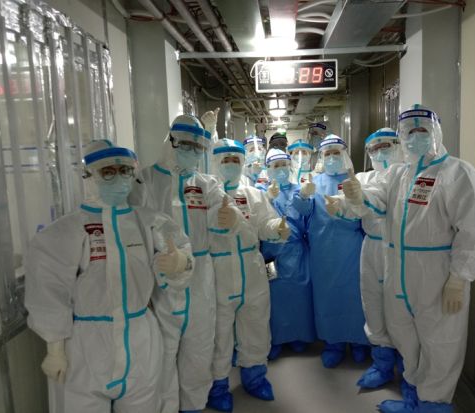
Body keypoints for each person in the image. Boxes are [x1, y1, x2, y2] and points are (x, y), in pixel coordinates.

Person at [341, 105, 475, 413]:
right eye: (409, 132)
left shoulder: (457, 173)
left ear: (436, 132)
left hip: (437, 276)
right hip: (398, 272)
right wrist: (359, 196)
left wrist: (459, 277)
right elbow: (377, 199)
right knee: (404, 335)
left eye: (423, 130)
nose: (415, 137)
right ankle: (413, 398)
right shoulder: (398, 174)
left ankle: (433, 404)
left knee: (440, 342)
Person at [25, 140, 193, 412]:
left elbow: (181, 251)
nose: (119, 179)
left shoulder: (149, 221)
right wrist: (55, 348)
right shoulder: (66, 231)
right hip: (86, 345)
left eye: (125, 171)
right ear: (89, 176)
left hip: (140, 338)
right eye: (108, 172)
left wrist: (180, 263)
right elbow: (47, 290)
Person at [130, 113, 242, 413]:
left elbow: (223, 207)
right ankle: (165, 407)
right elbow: (133, 225)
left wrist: (231, 218)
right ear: (171, 142)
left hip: (201, 274)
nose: (192, 152)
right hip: (160, 275)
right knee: (162, 350)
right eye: (186, 145)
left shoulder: (206, 183)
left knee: (199, 343)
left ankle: (193, 404)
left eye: (198, 147)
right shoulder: (145, 180)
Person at [207, 139, 291, 412]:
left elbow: (265, 222)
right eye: (225, 160)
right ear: (214, 162)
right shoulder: (204, 196)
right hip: (218, 269)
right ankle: (218, 386)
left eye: (236, 160)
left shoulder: (253, 194)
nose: (231, 165)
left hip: (251, 266)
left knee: (255, 324)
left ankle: (255, 377)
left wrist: (276, 227)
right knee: (220, 333)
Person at [329, 129, 404, 389]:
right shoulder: (363, 177)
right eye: (375, 148)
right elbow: (352, 206)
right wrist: (339, 204)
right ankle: (382, 364)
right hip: (371, 246)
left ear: (398, 145)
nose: (381, 152)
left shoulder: (409, 176)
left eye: (386, 146)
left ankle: (409, 370)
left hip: (400, 250)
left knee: (401, 309)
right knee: (372, 303)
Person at [293, 134, 371, 368]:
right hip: (323, 249)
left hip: (351, 247)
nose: (332, 157)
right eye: (328, 153)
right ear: (321, 157)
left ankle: (359, 342)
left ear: (344, 154)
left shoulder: (355, 180)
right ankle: (333, 343)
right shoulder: (314, 181)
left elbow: (365, 211)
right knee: (327, 297)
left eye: (336, 152)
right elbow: (303, 211)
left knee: (354, 296)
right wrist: (303, 194)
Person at [261, 148, 317, 360]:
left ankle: (299, 336)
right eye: (276, 166)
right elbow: (256, 218)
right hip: (270, 254)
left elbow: (307, 213)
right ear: (269, 169)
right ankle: (276, 338)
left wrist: (304, 196)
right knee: (273, 296)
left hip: (296, 251)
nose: (281, 169)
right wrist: (267, 198)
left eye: (284, 165)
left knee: (300, 293)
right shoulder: (261, 190)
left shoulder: (298, 189)